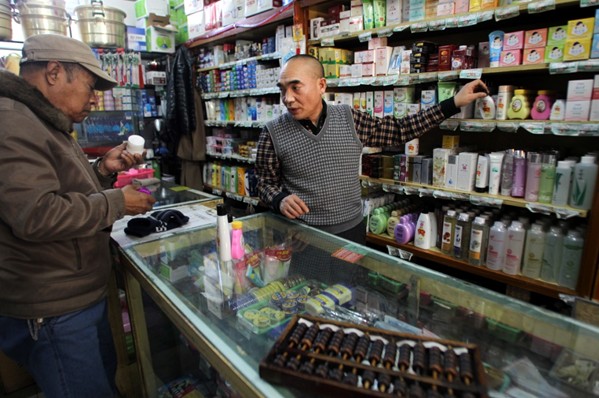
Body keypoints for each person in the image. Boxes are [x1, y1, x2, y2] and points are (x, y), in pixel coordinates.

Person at [0, 34, 156, 398]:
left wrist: (101, 169)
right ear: (54, 72)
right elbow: (35, 214)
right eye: (89, 85)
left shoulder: (42, 119)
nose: (94, 98)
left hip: (72, 297)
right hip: (52, 309)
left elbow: (57, 188)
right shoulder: (13, 121)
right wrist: (117, 202)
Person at [256, 54, 489, 245]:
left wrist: (452, 103)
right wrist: (279, 199)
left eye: (296, 88)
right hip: (300, 237)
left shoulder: (349, 119)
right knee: (307, 297)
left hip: (350, 232)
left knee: (348, 295)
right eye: (282, 89)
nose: (287, 98)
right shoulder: (272, 132)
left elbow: (400, 129)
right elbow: (264, 183)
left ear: (321, 85)